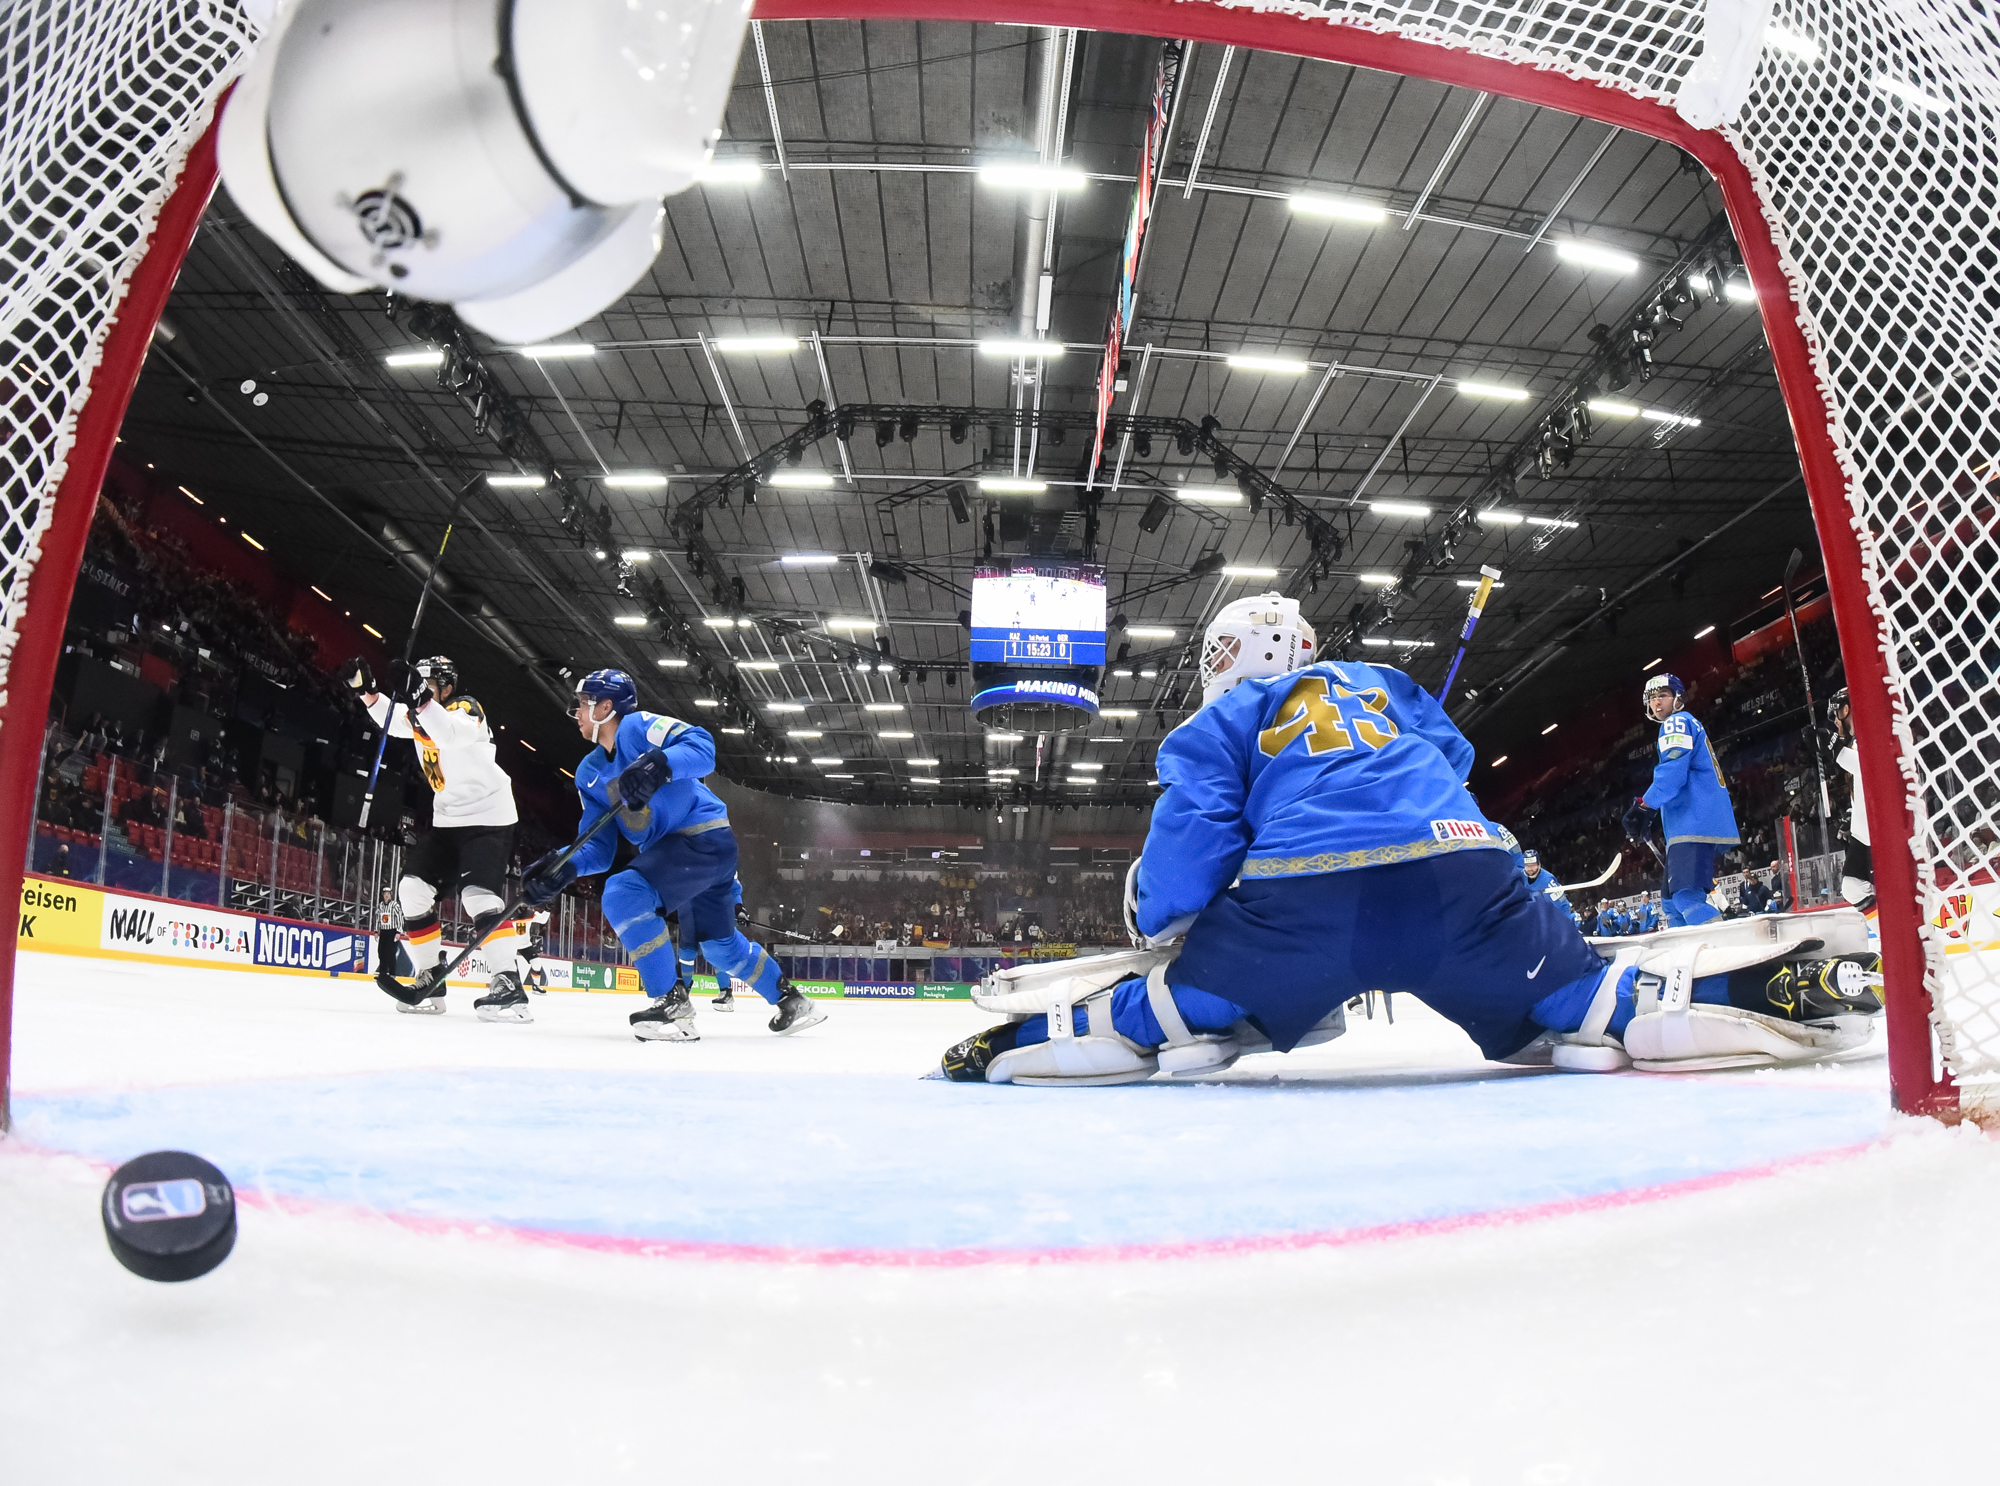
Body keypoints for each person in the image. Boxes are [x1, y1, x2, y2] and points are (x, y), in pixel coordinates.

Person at [937, 594, 1876, 1085]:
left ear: (1243, 657)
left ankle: (1035, 1038)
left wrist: (1160, 917)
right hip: (1461, 878)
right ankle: (1756, 988)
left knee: (1172, 1016)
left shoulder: (1220, 722)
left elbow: (1188, 855)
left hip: (1303, 909)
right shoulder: (1380, 682)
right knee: (1589, 1003)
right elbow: (1452, 757)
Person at [521, 668, 823, 1041]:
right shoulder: (588, 773)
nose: (577, 713)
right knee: (720, 948)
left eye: (583, 703)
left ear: (606, 707)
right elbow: (598, 846)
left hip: (702, 839)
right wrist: (562, 866)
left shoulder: (636, 727)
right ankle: (792, 1001)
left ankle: (672, 1006)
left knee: (624, 892)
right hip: (687, 856)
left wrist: (659, 764)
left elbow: (702, 746)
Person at [345, 654, 527, 1020]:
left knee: (477, 896)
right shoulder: (419, 713)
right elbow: (392, 720)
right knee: (411, 890)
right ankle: (431, 976)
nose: (422, 689)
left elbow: (448, 733)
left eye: (428, 684)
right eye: (419, 683)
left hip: (489, 818)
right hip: (447, 821)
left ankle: (508, 982)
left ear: (447, 686)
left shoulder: (467, 709)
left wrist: (418, 696)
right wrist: (367, 692)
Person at [1622, 673, 1740, 927]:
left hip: (1693, 822)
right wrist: (1649, 809)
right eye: (1652, 697)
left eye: (1662, 695)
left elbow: (1673, 773)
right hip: (1691, 822)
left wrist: (1645, 806)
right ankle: (1688, 949)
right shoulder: (1687, 722)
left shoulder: (1676, 722)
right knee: (1671, 902)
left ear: (1678, 698)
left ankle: (1720, 945)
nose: (1656, 702)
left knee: (1686, 897)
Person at [1826, 687, 1874, 908]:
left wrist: (1835, 750)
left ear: (1845, 710)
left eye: (1836, 715)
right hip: (1866, 830)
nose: (1836, 722)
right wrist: (1853, 814)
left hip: (1880, 828)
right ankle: (1885, 929)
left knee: (1861, 886)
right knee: (1853, 887)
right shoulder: (1856, 741)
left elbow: (1867, 767)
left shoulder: (1870, 733)